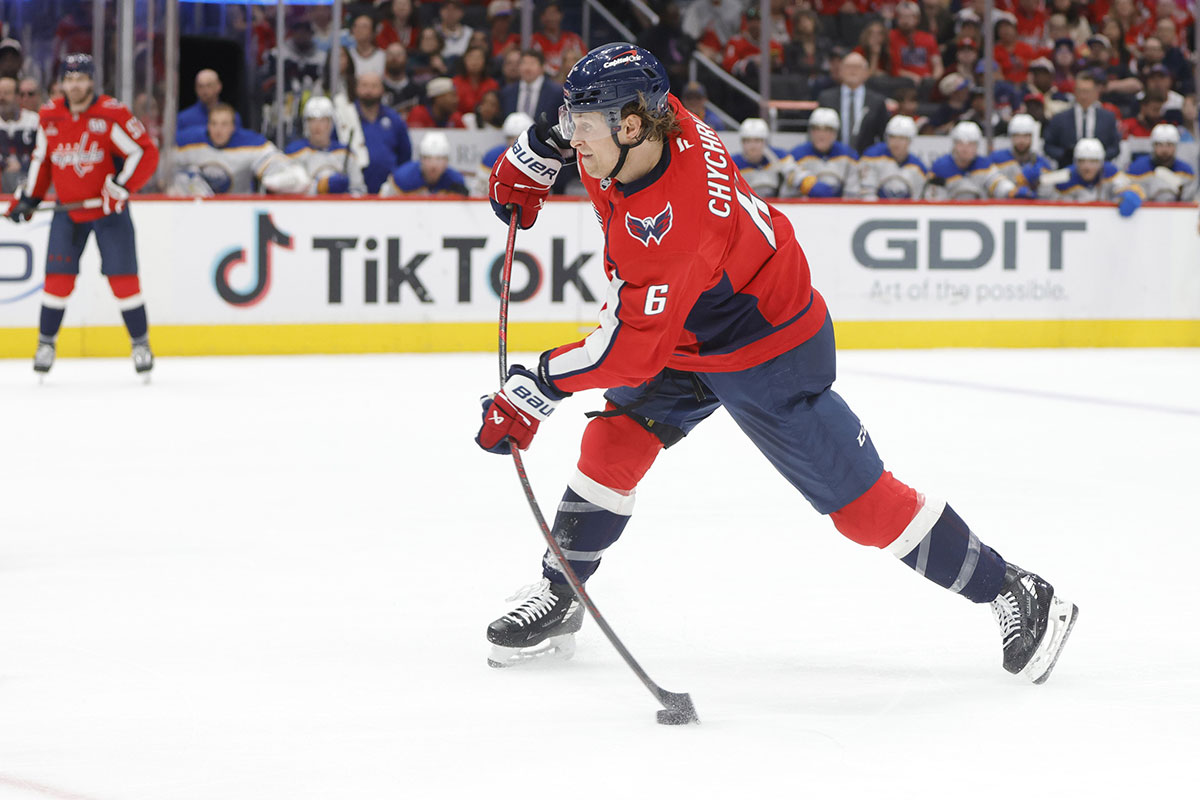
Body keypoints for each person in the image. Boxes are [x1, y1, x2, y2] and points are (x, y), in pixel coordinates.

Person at [479, 43, 1079, 684]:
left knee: (863, 508)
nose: (575, 142)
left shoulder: (673, 226)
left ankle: (1016, 590)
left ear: (630, 125)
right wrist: (539, 143)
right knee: (613, 443)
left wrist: (537, 383)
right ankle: (563, 590)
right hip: (693, 324)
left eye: (581, 126)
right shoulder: (659, 120)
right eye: (570, 124)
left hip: (769, 346)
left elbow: (630, 353)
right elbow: (590, 127)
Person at [4, 54, 159, 378]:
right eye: (69, 79)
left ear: (92, 81)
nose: (75, 85)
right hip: (68, 212)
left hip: (108, 212)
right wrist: (29, 198)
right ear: (61, 82)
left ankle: (140, 344)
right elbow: (42, 160)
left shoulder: (111, 113)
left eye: (81, 78)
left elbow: (144, 151)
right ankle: (46, 343)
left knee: (124, 282)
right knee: (57, 282)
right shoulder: (50, 115)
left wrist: (121, 186)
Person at [174, 104, 309, 196]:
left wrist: (282, 177)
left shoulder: (250, 144)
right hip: (200, 212)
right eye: (214, 124)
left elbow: (278, 163)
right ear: (208, 125)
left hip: (240, 210)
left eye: (224, 124)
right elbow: (165, 166)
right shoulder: (189, 141)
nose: (218, 130)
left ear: (233, 127)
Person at [1036, 137, 1143, 216]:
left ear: (1101, 162)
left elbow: (1134, 188)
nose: (1087, 167)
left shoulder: (1110, 172)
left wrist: (1131, 194)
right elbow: (1042, 196)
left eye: (1093, 161)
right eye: (1082, 161)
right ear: (1075, 162)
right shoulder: (1064, 177)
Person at [285, 96, 366, 195]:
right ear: (306, 123)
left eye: (323, 120)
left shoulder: (345, 153)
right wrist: (322, 186)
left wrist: (346, 197)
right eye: (312, 120)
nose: (317, 126)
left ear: (331, 123)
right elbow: (289, 189)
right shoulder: (294, 152)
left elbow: (359, 190)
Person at [927, 121, 1028, 199]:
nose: (965, 149)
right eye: (960, 143)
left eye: (971, 144)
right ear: (954, 145)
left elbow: (998, 183)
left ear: (977, 147)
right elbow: (931, 197)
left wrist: (1011, 191)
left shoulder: (984, 165)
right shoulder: (940, 167)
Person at [817, 52, 889, 153]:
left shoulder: (877, 102)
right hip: (833, 160)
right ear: (840, 71)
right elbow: (817, 132)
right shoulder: (826, 98)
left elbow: (884, 138)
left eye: (858, 67)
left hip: (867, 162)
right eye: (848, 66)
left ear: (867, 72)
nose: (853, 70)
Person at [1043, 71, 1120, 165]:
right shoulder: (1059, 118)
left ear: (1096, 93)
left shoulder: (1108, 118)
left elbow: (1115, 147)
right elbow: (1048, 146)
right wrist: (1066, 156)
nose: (1083, 96)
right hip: (1068, 168)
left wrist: (1098, 157)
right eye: (1080, 91)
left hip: (1101, 168)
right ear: (1074, 91)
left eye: (1087, 91)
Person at [355, 72, 412, 193]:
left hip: (388, 191)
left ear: (382, 89)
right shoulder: (347, 118)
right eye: (364, 85)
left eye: (374, 86)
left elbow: (405, 155)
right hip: (353, 190)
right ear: (356, 88)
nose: (369, 90)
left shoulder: (394, 119)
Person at [784, 107, 859, 198]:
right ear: (810, 131)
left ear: (835, 133)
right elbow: (787, 191)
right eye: (816, 129)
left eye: (827, 130)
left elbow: (852, 195)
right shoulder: (797, 155)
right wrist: (806, 183)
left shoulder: (849, 156)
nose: (821, 134)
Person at [856, 114, 929, 199]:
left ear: (910, 140)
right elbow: (866, 195)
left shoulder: (918, 167)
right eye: (892, 137)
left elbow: (918, 200)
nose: (896, 142)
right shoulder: (872, 157)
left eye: (902, 138)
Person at [380, 131, 467, 196]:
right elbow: (383, 204)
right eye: (428, 158)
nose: (434, 165)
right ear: (421, 160)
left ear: (447, 161)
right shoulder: (402, 178)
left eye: (439, 159)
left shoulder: (455, 181)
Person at [1125, 123, 1196, 201]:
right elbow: (1127, 191)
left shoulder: (1186, 171)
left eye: (1169, 145)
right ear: (1153, 146)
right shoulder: (1137, 168)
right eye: (1159, 144)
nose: (1164, 150)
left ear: (1176, 147)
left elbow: (1191, 200)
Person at [991, 113, 1054, 191]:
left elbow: (1049, 194)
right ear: (1011, 137)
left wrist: (1038, 184)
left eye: (1026, 136)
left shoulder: (1043, 164)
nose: (1021, 140)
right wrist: (1019, 182)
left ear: (1032, 138)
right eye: (1017, 135)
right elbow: (991, 187)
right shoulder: (996, 160)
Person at [475, 111, 532, 196]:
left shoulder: (538, 158)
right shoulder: (492, 156)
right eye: (510, 138)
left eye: (519, 138)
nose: (514, 142)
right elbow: (480, 191)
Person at [889, 1, 944, 86]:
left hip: (926, 82)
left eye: (908, 17)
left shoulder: (928, 38)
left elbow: (937, 65)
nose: (905, 21)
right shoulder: (891, 37)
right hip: (901, 82)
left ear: (917, 19)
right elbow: (891, 67)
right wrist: (913, 77)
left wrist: (933, 78)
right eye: (901, 17)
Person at [731, 117, 788, 198]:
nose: (752, 146)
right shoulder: (732, 163)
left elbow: (796, 179)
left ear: (765, 142)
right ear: (742, 143)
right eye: (748, 141)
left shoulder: (780, 156)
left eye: (757, 140)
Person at [0, 75, 39, 194]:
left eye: (7, 93)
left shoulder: (34, 120)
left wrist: (22, 165)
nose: (1, 97)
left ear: (18, 97)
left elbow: (42, 152)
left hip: (28, 177)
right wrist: (4, 163)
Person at [500, 50, 562, 120]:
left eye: (532, 64)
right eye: (524, 63)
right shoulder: (508, 92)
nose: (527, 68)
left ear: (542, 67)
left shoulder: (556, 93)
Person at [532, 1, 586, 80]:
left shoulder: (573, 39)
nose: (551, 17)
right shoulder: (535, 41)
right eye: (548, 14)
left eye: (554, 13)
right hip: (547, 83)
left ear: (561, 15)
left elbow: (584, 63)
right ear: (542, 17)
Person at [177, 69, 242, 133]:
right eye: (200, 86)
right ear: (195, 89)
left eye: (209, 85)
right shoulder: (183, 118)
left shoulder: (232, 116)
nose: (204, 91)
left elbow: (239, 140)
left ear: (219, 86)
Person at [453, 46, 500, 116]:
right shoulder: (455, 82)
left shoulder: (492, 84)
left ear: (484, 61)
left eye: (478, 58)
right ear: (464, 60)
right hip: (460, 123)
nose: (474, 62)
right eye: (471, 58)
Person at [382, 43, 421, 114]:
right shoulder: (378, 89)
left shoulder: (417, 89)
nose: (394, 58)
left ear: (406, 58)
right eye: (390, 54)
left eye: (399, 55)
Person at [348, 14, 386, 78]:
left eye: (364, 27)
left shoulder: (383, 56)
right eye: (356, 26)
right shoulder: (347, 56)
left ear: (373, 31)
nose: (359, 30)